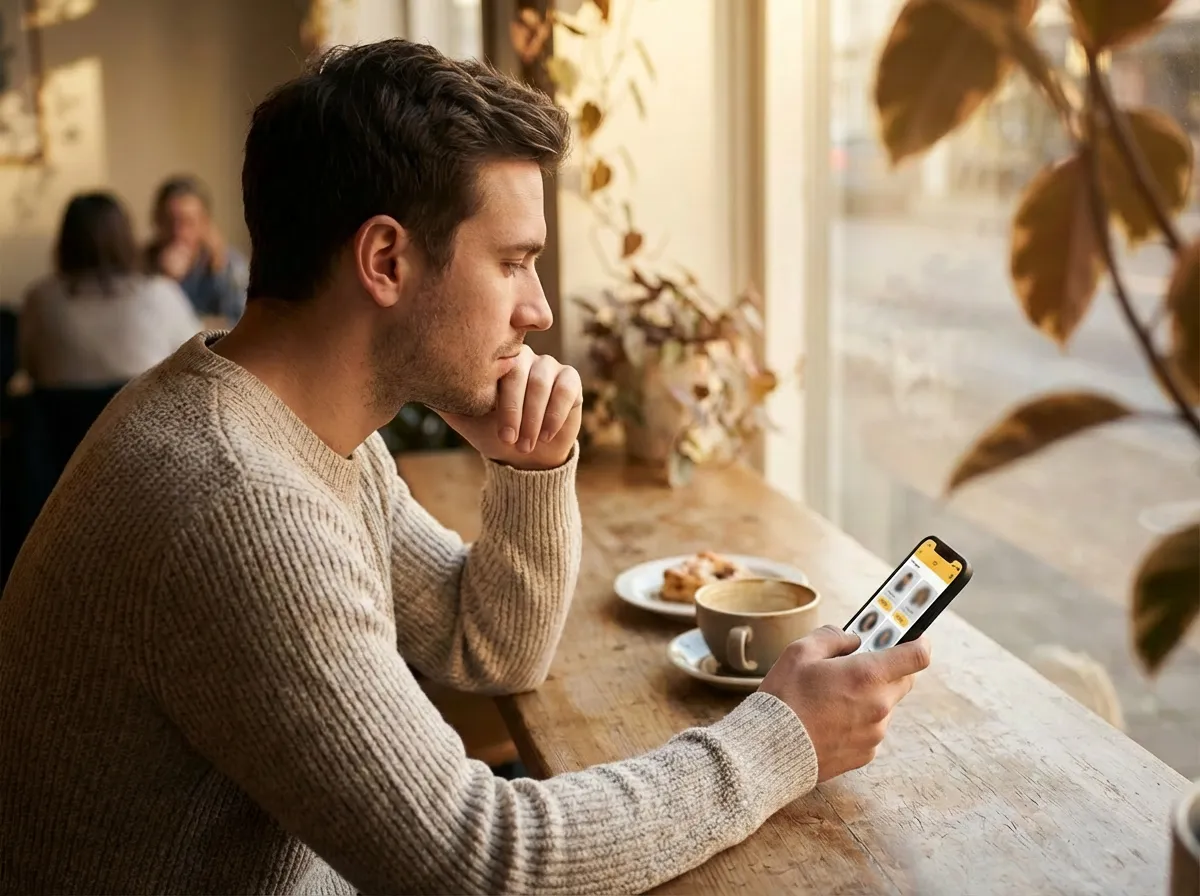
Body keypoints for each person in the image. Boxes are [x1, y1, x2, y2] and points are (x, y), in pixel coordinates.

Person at [0, 40, 931, 894]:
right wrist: (782, 741)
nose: (537, 310)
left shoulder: (291, 417)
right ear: (385, 259)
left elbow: (486, 646)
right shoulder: (237, 501)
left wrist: (531, 468)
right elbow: (478, 861)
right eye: (516, 262)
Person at [18, 191, 202, 387]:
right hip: (144, 415)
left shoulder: (39, 299)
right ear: (125, 237)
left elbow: (31, 368)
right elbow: (199, 362)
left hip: (64, 416)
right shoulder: (159, 293)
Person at [145, 174, 249, 322]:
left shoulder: (228, 266)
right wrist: (165, 282)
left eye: (188, 223)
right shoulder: (139, 266)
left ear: (205, 224)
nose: (178, 233)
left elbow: (240, 325)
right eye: (169, 221)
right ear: (156, 221)